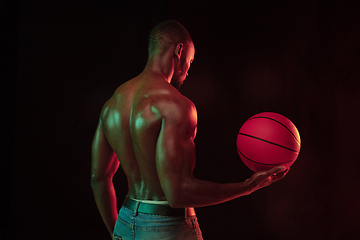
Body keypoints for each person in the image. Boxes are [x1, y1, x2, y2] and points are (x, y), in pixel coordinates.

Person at [91, 20, 288, 240]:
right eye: (190, 61)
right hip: (167, 228)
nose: (188, 71)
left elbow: (98, 177)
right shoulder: (176, 106)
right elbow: (178, 193)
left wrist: (115, 232)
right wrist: (247, 186)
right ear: (179, 50)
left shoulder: (112, 104)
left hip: (126, 222)